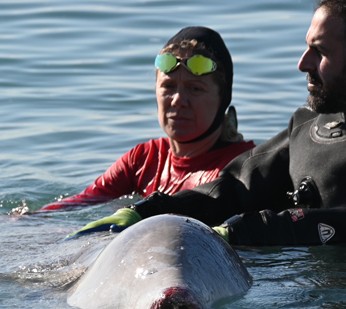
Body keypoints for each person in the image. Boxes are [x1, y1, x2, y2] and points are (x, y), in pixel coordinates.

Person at [72, 0, 346, 245]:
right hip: (313, 289)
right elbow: (237, 187)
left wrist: (242, 233)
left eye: (319, 52)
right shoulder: (311, 124)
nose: (302, 64)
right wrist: (150, 211)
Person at [23, 27, 255, 214]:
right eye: (168, 86)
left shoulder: (242, 167)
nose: (177, 100)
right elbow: (80, 204)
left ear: (222, 98)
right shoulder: (144, 159)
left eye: (195, 88)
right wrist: (24, 222)